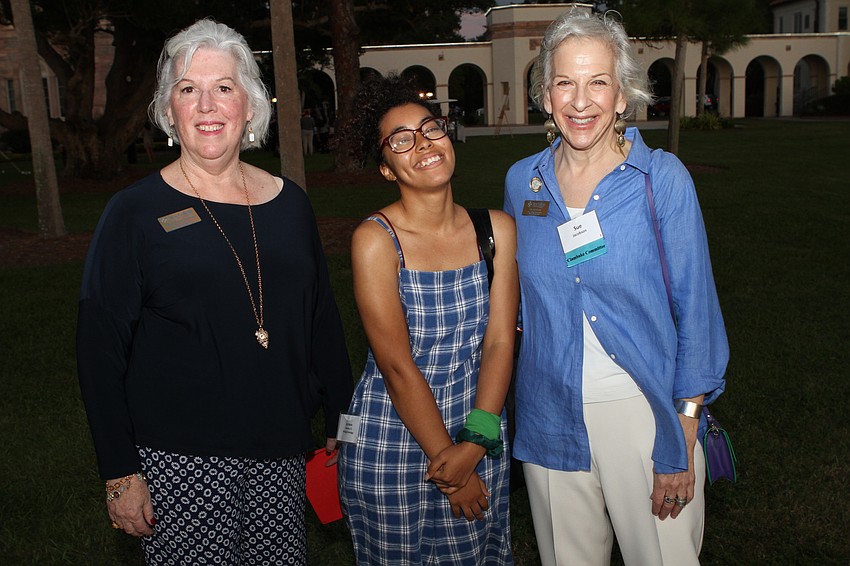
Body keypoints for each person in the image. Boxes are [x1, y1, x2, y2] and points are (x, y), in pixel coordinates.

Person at [76, 18, 353, 565]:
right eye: (188, 89)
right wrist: (119, 472)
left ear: (249, 105)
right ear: (168, 110)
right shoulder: (134, 212)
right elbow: (98, 349)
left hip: (282, 453)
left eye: (223, 87)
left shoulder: (290, 204)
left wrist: (344, 425)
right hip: (179, 463)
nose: (206, 105)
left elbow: (321, 318)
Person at [503, 10, 729, 566]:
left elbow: (696, 310)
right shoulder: (522, 181)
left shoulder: (662, 180)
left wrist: (683, 429)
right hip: (549, 415)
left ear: (623, 94)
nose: (580, 101)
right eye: (565, 82)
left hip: (645, 416)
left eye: (598, 82)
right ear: (545, 94)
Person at [337, 74, 518, 565]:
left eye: (430, 128)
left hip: (478, 425)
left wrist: (474, 444)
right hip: (395, 441)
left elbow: (500, 342)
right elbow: (396, 367)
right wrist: (451, 465)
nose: (422, 144)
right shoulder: (376, 240)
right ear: (386, 168)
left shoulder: (495, 230)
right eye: (401, 140)